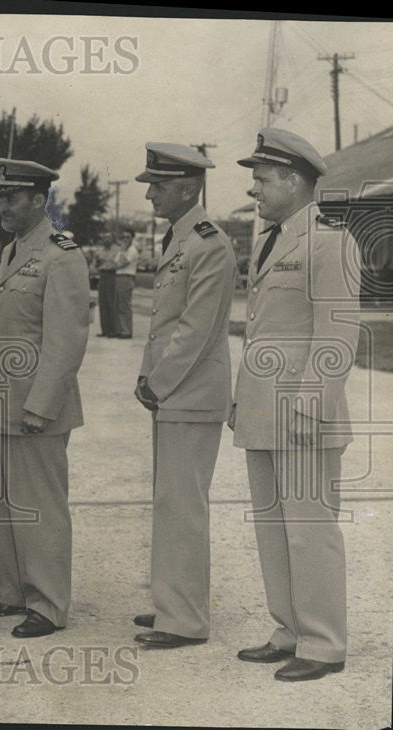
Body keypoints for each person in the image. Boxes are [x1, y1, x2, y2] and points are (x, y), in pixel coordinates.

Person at [232, 128, 360, 681]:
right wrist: (243, 403)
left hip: (303, 415)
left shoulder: (329, 240)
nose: (254, 188)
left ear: (292, 179)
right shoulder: (273, 238)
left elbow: (337, 334)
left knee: (310, 531)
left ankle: (325, 643)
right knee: (273, 528)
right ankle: (289, 629)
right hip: (264, 412)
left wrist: (310, 406)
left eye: (261, 178)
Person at [0, 158, 90, 638]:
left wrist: (41, 405)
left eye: (13, 197)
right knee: (8, 503)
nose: (3, 205)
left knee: (40, 505)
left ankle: (48, 604)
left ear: (38, 199)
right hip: (7, 400)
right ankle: (16, 593)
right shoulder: (11, 251)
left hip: (36, 405)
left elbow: (66, 341)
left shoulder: (61, 255)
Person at [131, 143, 236, 649]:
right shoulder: (182, 239)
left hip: (192, 394)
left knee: (183, 505)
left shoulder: (208, 243)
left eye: (158, 184)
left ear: (188, 188)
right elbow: (164, 325)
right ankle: (173, 604)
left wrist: (157, 380)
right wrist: (147, 376)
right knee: (171, 503)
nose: (150, 192)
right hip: (176, 393)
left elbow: (196, 327)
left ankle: (186, 619)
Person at [112, 228, 139, 338]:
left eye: (128, 237)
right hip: (118, 276)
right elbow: (115, 264)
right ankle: (120, 329)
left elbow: (122, 264)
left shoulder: (132, 251)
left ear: (132, 238)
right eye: (123, 237)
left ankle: (126, 331)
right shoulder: (121, 251)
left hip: (126, 277)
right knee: (118, 304)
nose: (125, 239)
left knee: (125, 305)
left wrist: (122, 250)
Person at [95, 235, 118, 337]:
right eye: (105, 238)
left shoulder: (117, 250)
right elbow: (95, 263)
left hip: (112, 275)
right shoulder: (100, 250)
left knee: (111, 302)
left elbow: (117, 263)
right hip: (102, 275)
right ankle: (105, 330)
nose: (106, 239)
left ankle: (113, 330)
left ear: (112, 239)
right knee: (102, 302)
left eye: (109, 237)